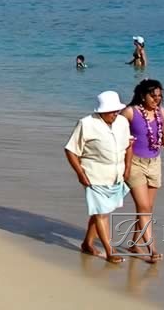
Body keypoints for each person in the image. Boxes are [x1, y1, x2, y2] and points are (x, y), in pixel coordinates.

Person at [122, 80, 164, 262]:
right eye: (153, 96)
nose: (157, 100)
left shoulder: (162, 113)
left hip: (154, 163)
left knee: (147, 208)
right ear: (143, 95)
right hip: (134, 163)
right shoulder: (130, 112)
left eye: (159, 96)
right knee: (143, 208)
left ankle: (135, 244)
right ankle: (151, 249)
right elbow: (113, 132)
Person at [64, 90, 133, 264]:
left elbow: (128, 146)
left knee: (103, 210)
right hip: (94, 175)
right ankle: (110, 251)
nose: (115, 114)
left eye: (117, 111)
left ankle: (87, 244)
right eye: (112, 112)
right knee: (102, 213)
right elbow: (71, 150)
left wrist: (127, 169)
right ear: (101, 111)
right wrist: (80, 173)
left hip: (116, 175)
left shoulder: (122, 122)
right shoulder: (86, 124)